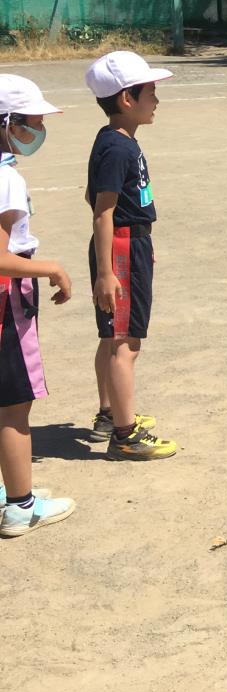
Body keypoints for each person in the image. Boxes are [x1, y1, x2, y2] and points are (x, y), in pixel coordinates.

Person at [84, 51, 177, 461]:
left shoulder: (117, 141)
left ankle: (110, 412)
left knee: (111, 336)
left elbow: (95, 197)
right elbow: (101, 211)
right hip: (120, 247)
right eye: (151, 92)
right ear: (127, 98)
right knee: (126, 342)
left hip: (130, 243)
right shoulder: (118, 148)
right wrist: (107, 271)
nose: (155, 100)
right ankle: (125, 434)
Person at [0, 76, 75, 538]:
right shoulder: (6, 179)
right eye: (31, 122)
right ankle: (21, 507)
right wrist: (51, 269)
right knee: (14, 405)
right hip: (7, 303)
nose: (39, 128)